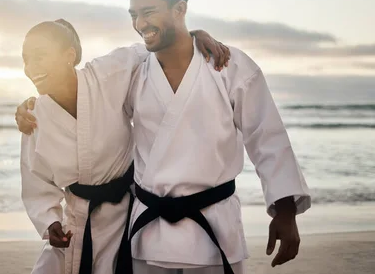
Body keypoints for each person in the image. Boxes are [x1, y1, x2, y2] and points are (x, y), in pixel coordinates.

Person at [18, 0, 311, 274]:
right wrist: (34, 108)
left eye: (149, 12)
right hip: (148, 237)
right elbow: (84, 100)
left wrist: (286, 210)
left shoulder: (228, 67)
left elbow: (266, 136)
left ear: (180, 9)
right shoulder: (135, 72)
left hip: (215, 231)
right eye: (134, 14)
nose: (139, 23)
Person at [19, 18, 229, 274]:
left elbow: (154, 49)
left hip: (126, 213)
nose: (31, 67)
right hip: (75, 223)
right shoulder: (34, 117)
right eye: (26, 59)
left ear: (69, 55)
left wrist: (193, 36)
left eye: (40, 56)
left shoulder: (109, 74)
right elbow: (36, 180)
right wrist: (50, 220)